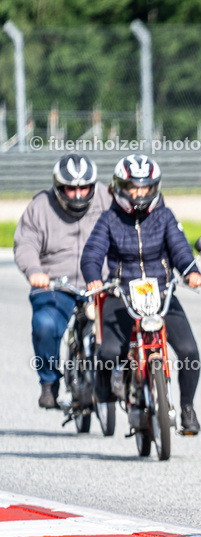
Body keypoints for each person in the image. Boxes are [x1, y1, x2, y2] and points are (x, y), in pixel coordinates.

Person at [81, 154, 201, 435]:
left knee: (189, 351)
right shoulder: (109, 219)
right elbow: (92, 254)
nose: (139, 193)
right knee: (110, 353)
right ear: (120, 187)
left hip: (160, 293)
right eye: (133, 187)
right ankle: (104, 387)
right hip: (120, 294)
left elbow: (181, 249)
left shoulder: (165, 216)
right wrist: (92, 278)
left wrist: (190, 271)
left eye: (145, 187)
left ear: (154, 187)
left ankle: (186, 408)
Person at [14, 153, 112, 409]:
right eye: (71, 188)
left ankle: (127, 381)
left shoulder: (107, 198)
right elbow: (25, 243)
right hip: (56, 284)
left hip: (100, 282)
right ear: (58, 187)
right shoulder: (41, 206)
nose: (79, 194)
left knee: (129, 323)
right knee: (45, 324)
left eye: (84, 188)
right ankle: (49, 382)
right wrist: (34, 271)